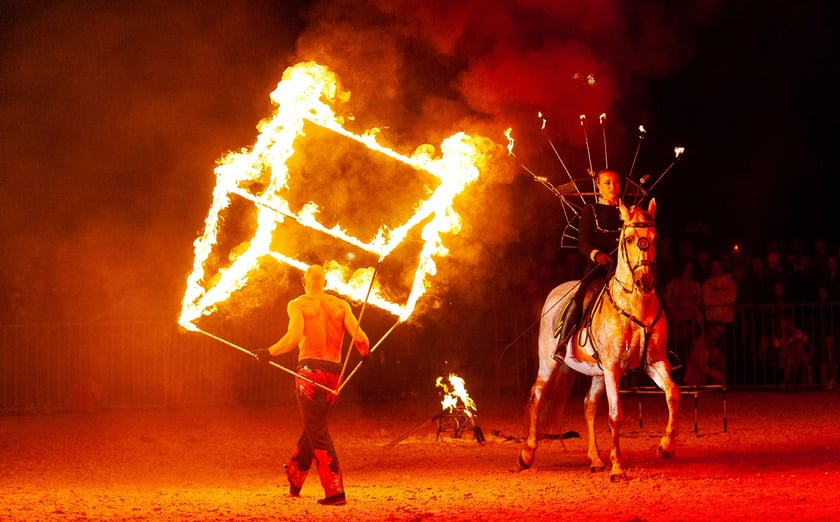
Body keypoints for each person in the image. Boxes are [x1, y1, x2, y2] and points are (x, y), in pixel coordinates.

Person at [254, 264, 370, 506]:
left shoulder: (298, 303)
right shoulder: (341, 305)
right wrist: (365, 355)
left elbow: (293, 338)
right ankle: (295, 477)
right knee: (314, 425)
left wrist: (268, 352)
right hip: (334, 374)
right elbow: (361, 339)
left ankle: (335, 491)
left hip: (309, 373)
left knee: (317, 430)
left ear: (303, 282)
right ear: (325, 283)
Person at [553, 169, 622, 361]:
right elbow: (583, 242)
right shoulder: (591, 209)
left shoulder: (626, 210)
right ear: (598, 186)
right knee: (581, 295)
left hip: (621, 267)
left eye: (616, 182)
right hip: (597, 266)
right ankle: (563, 341)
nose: (612, 187)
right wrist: (597, 254)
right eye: (607, 183)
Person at [683, 322, 725, 387]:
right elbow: (701, 366)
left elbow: (711, 363)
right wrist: (718, 374)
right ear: (711, 329)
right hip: (692, 380)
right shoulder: (700, 343)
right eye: (717, 331)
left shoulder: (711, 344)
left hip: (699, 381)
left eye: (720, 333)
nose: (718, 335)